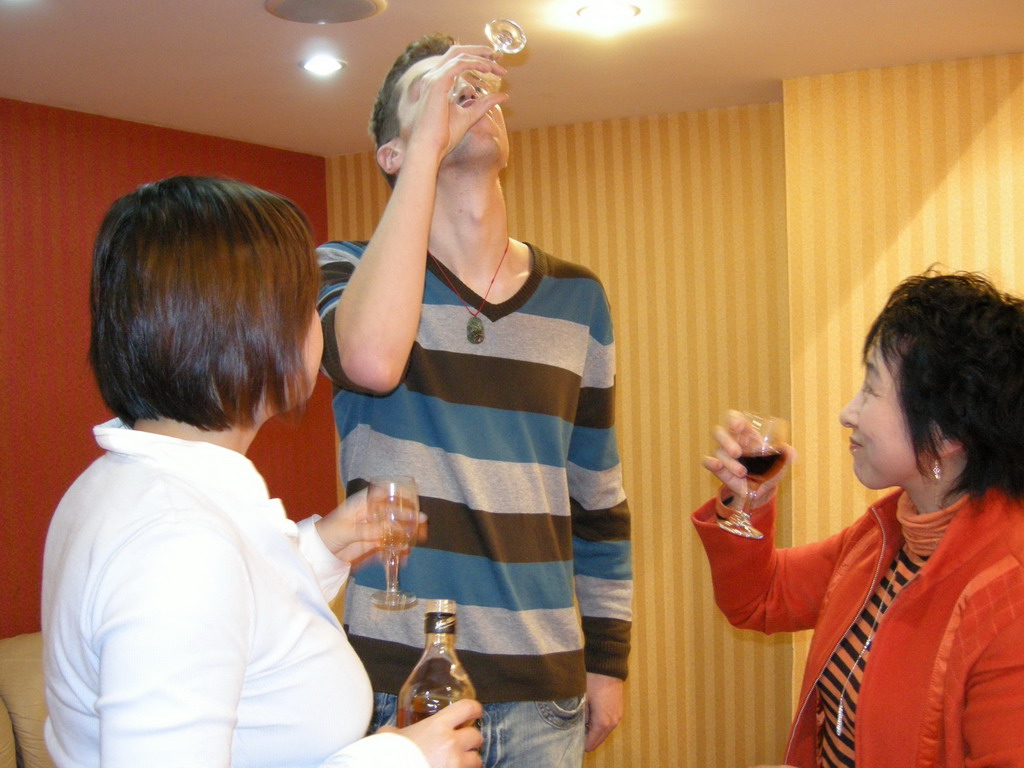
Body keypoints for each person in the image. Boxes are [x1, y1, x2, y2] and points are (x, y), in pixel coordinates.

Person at [41, 176, 484, 768]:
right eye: (305, 305)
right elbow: (189, 579)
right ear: (249, 326)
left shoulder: (123, 488)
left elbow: (232, 621)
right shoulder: (176, 542)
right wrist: (400, 758)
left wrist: (325, 545)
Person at [316, 35, 632, 767]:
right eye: (429, 95)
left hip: (542, 690)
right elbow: (370, 360)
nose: (461, 100)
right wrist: (429, 147)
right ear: (392, 153)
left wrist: (608, 663)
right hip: (399, 690)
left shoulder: (577, 297)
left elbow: (599, 500)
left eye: (467, 89)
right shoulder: (344, 269)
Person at [692, 271, 1024, 767]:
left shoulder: (1008, 595)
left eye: (871, 389)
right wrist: (751, 503)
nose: (848, 412)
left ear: (948, 429)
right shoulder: (888, 532)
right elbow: (759, 599)